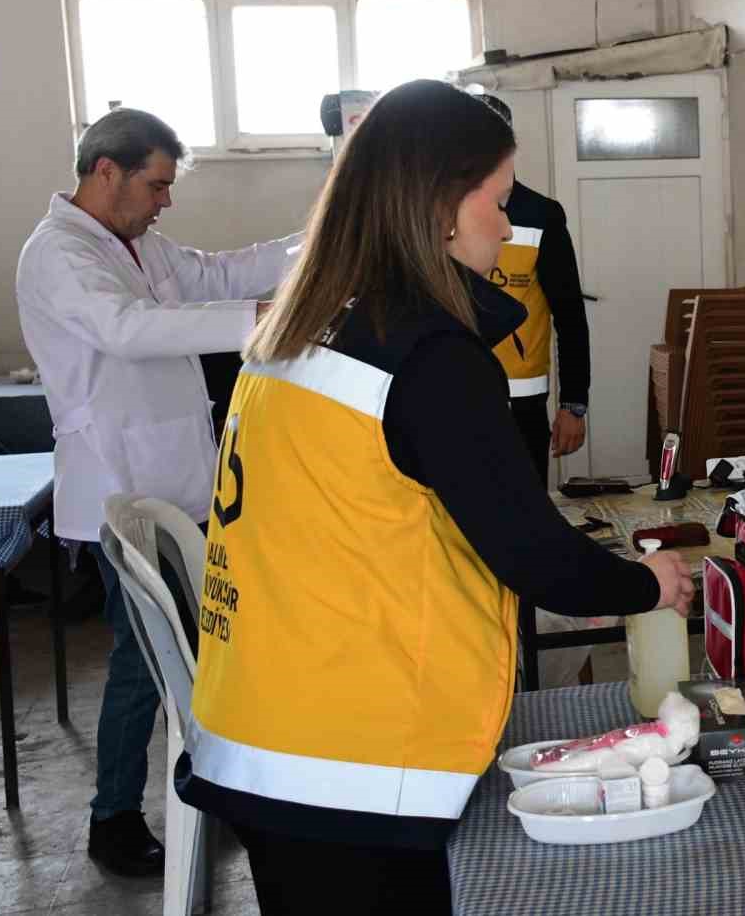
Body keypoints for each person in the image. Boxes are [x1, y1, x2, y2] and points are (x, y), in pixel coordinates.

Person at [175, 80, 693, 913]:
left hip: (265, 725)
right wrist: (648, 583)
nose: (507, 221)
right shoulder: (427, 358)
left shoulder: (309, 329)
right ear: (441, 209)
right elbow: (531, 554)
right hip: (347, 757)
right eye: (496, 198)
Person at [15, 108, 301, 876]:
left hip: (183, 481)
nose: (164, 201)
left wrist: (325, 240)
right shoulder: (59, 254)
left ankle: (211, 794)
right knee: (146, 661)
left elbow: (222, 272)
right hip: (121, 488)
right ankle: (112, 818)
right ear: (105, 170)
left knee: (212, 650)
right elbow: (126, 328)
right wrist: (263, 320)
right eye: (156, 184)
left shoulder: (137, 243)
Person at [475, 93, 592, 486]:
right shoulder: (438, 211)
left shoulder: (540, 214)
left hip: (522, 399)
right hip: (456, 393)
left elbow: (570, 314)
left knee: (526, 507)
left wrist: (573, 404)